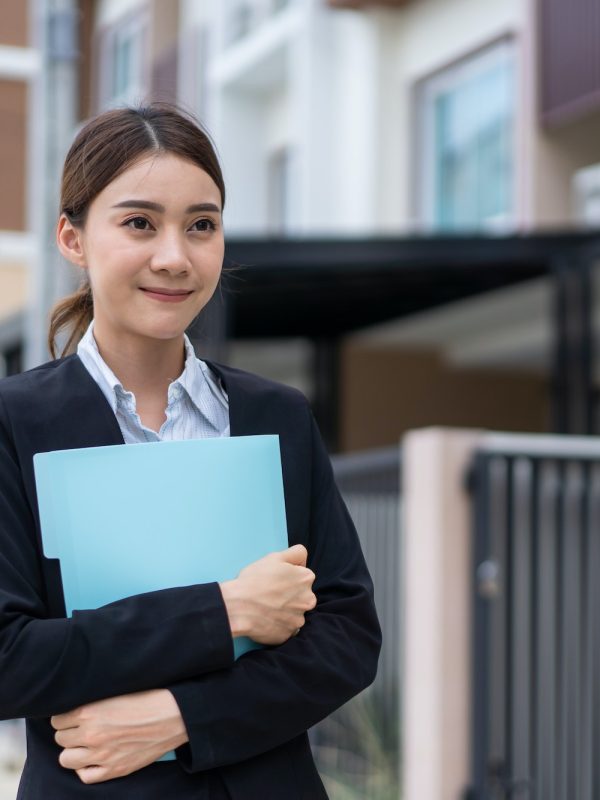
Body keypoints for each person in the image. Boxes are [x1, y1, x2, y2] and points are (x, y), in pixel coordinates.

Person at [0, 104, 381, 799]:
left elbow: (347, 638)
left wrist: (182, 716)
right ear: (73, 237)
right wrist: (226, 610)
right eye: (139, 222)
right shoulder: (14, 424)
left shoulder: (277, 417)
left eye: (201, 225)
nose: (175, 257)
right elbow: (9, 658)